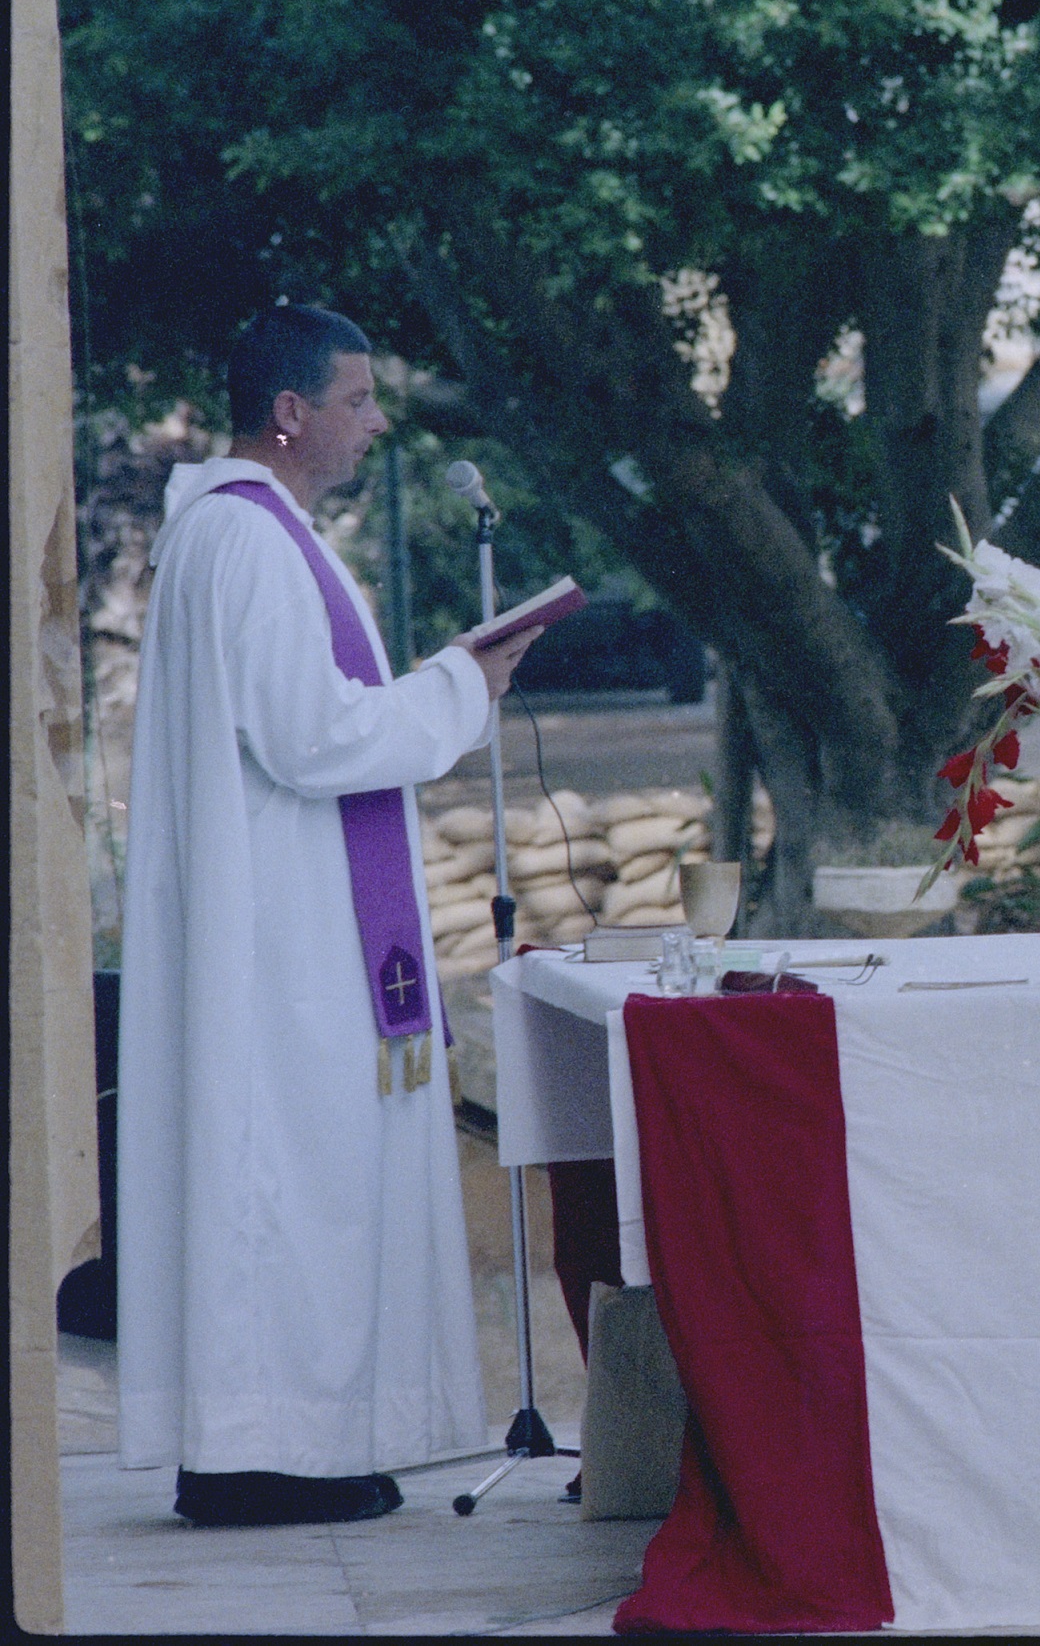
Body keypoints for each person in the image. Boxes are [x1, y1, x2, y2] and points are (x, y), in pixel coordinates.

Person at [116, 304, 544, 1527]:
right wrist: (463, 680)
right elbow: (312, 735)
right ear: (290, 413)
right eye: (357, 400)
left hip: (290, 911)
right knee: (284, 1184)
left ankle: (295, 1446)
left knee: (308, 1183)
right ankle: (255, 1459)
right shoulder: (248, 542)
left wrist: (443, 679)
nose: (375, 421)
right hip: (281, 935)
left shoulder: (252, 530)